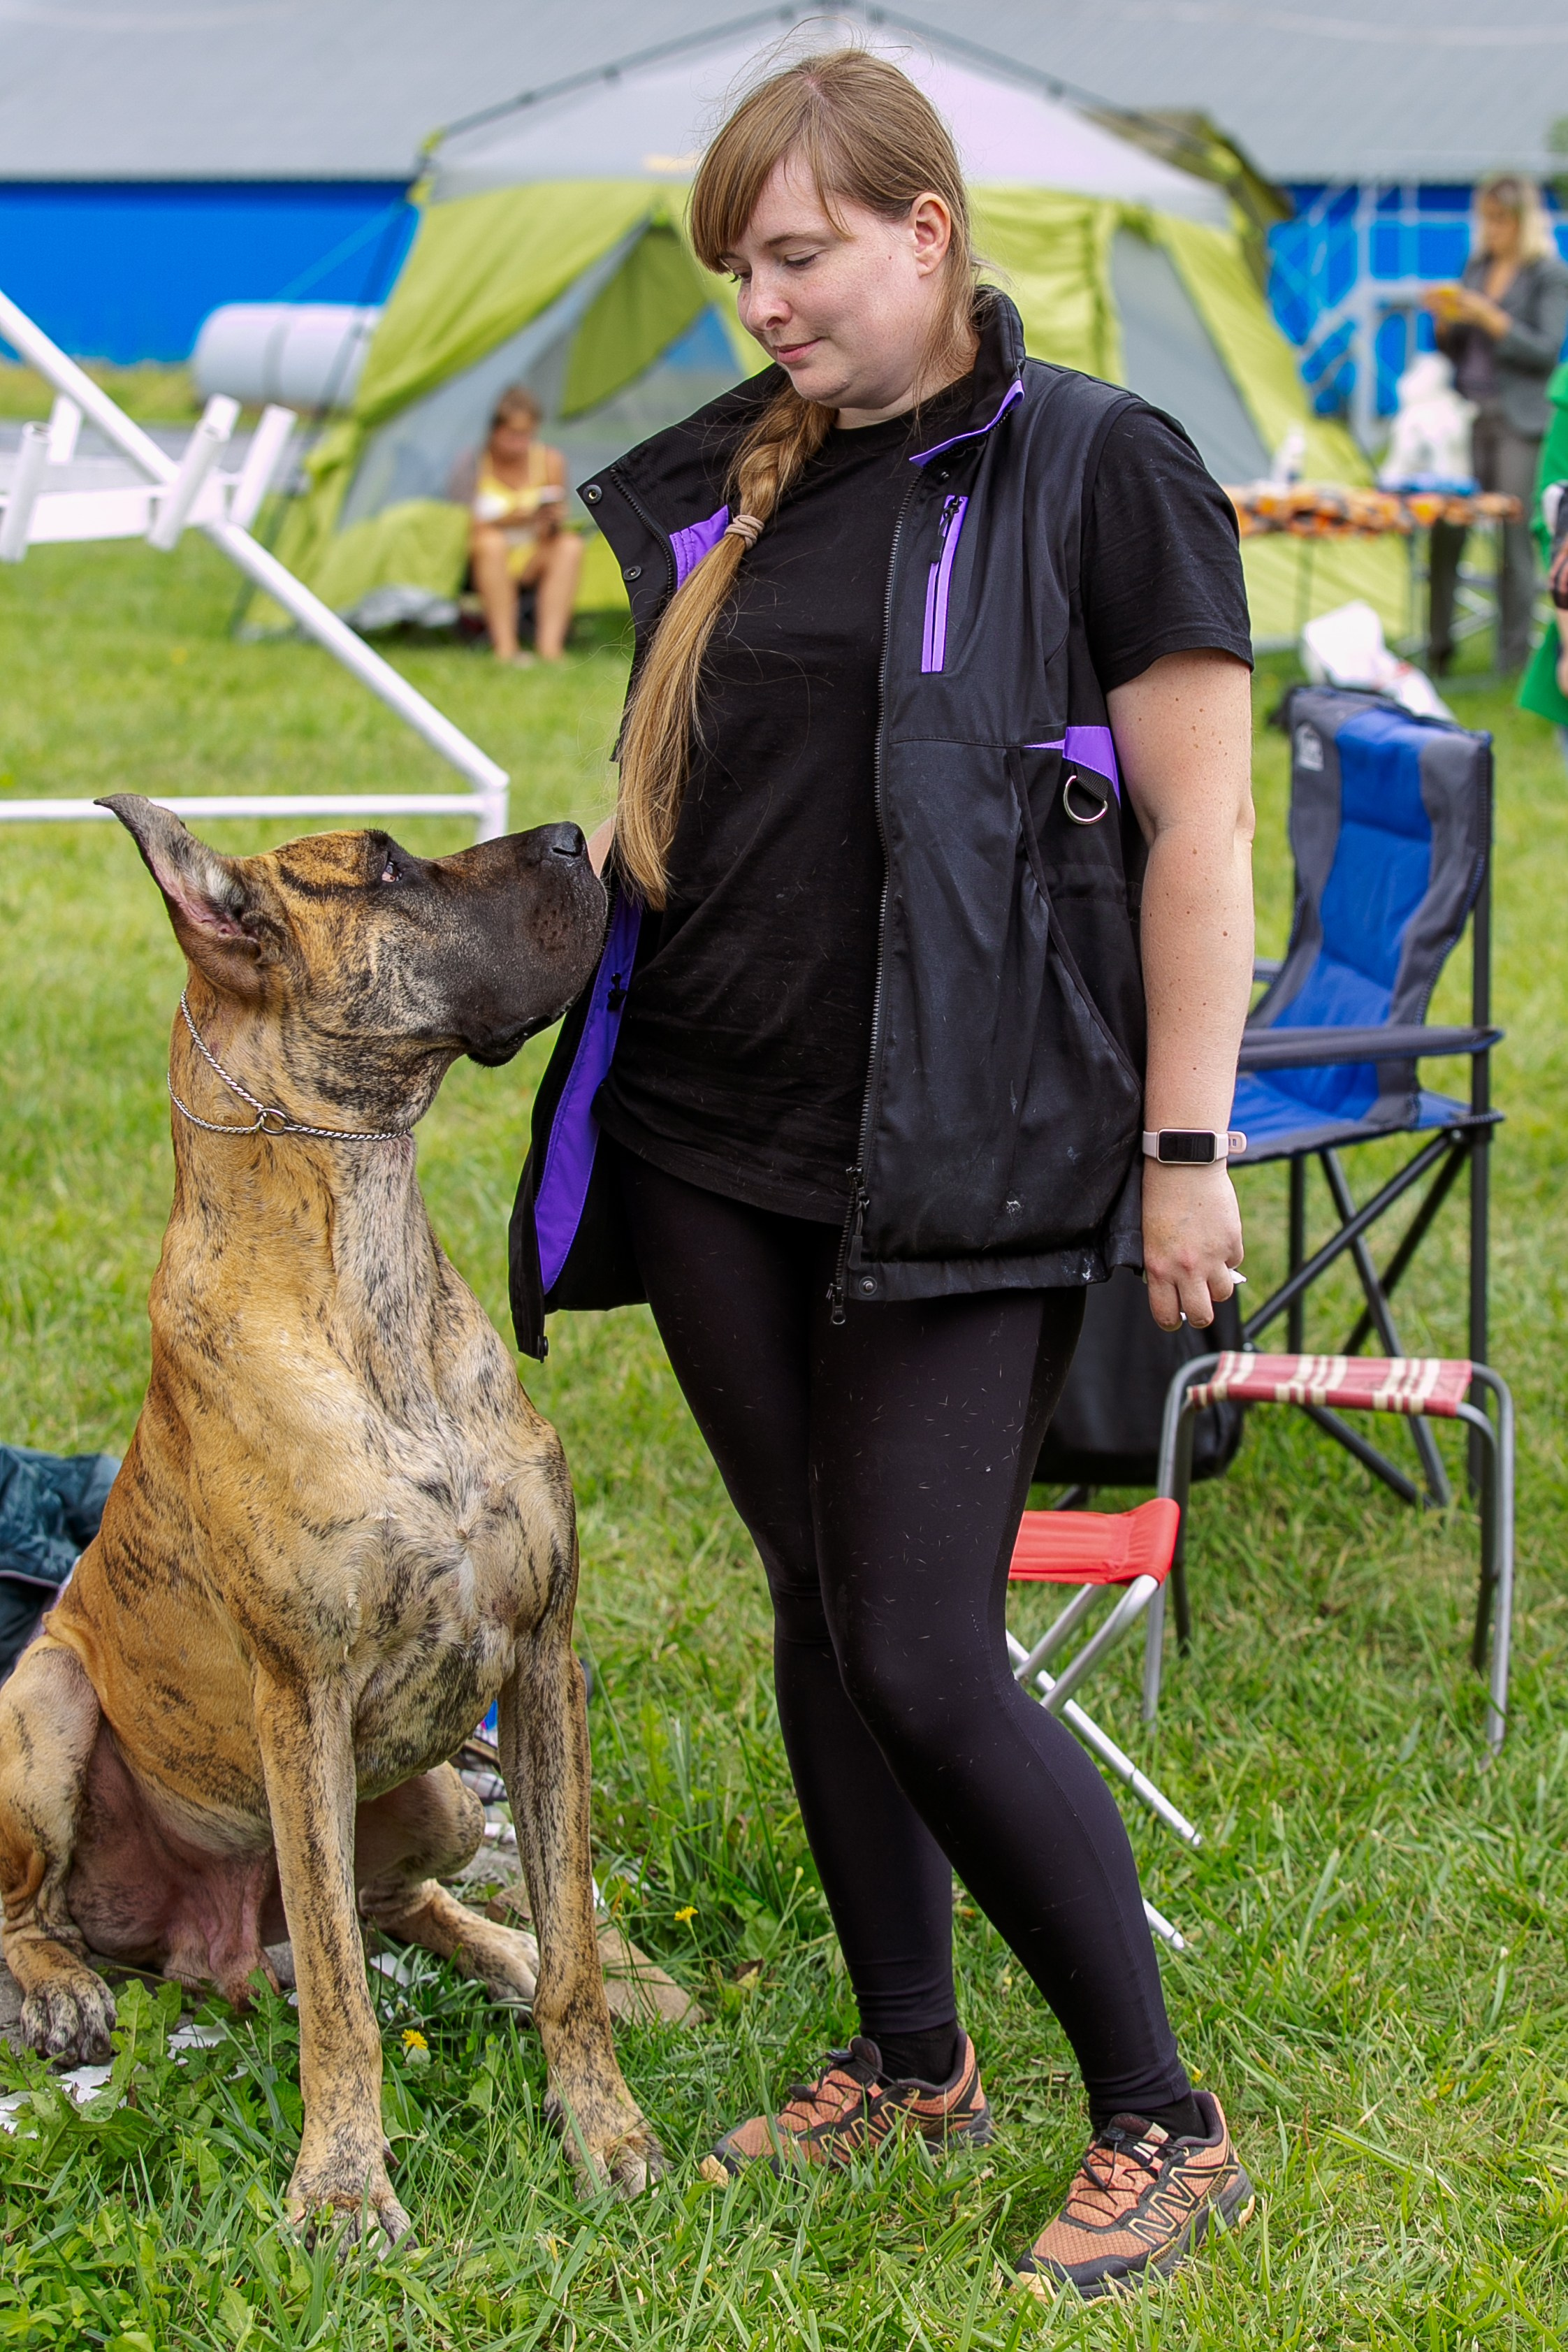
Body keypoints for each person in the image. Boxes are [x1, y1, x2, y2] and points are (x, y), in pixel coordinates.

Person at [511, 51, 1256, 2301]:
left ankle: (1162, 2114)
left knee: (927, 1648)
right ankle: (910, 2054)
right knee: (817, 1606)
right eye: (740, 265)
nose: (766, 299)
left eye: (801, 254)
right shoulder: (754, 489)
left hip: (965, 1146)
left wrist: (1186, 1144)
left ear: (928, 231)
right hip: (714, 1136)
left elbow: (1202, 835)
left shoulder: (1098, 463)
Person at [1427, 175, 1568, 678]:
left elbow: (1546, 350)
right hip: (1467, 414)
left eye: (1500, 219)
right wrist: (1445, 322)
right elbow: (1457, 351)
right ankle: (1437, 651)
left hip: (1517, 420)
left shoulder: (1549, 274)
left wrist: (1489, 316)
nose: (1491, 229)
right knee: (1445, 526)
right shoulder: (1476, 267)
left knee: (1512, 538)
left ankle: (1510, 661)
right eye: (1485, 217)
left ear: (1522, 221)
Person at [461, 385, 583, 663]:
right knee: (490, 543)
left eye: (527, 435)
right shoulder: (473, 462)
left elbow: (553, 527)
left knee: (569, 545)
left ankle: (550, 648)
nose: (521, 444)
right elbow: (462, 524)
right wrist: (517, 517)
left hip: (533, 553)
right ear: (494, 431)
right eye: (513, 435)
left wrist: (551, 519)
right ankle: (505, 648)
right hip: (486, 558)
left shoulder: (549, 461)